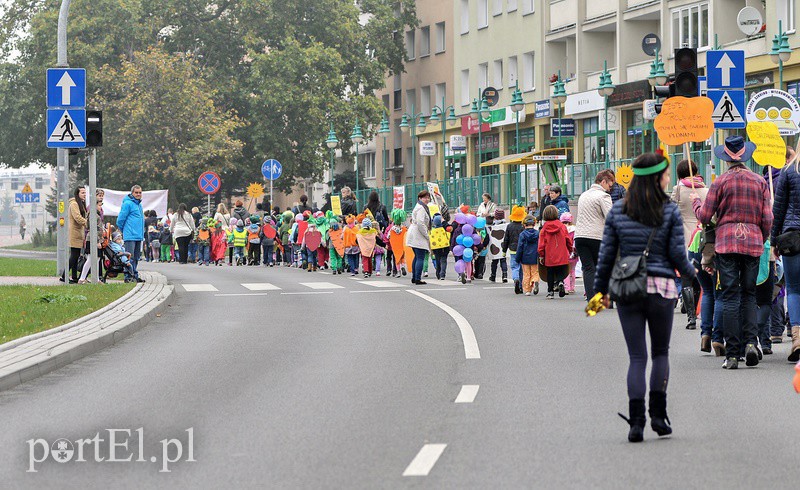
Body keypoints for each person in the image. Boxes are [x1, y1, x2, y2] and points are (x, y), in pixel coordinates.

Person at [594, 152, 695, 443]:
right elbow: (678, 255)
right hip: (662, 287)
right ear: (658, 177)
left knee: (637, 357)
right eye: (665, 174)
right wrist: (693, 274)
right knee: (660, 353)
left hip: (628, 289)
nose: (667, 178)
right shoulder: (669, 210)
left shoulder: (617, 210)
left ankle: (636, 423)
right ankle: (659, 417)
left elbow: (606, 258)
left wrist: (599, 295)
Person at [693, 136, 772, 370]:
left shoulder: (720, 182)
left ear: (726, 158)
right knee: (749, 295)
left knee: (729, 296)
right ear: (746, 155)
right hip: (753, 244)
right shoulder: (760, 181)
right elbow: (767, 218)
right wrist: (762, 237)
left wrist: (696, 204)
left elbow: (705, 217)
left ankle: (733, 354)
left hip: (726, 244)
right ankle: (751, 343)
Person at [671, 159, 709, 333]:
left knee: (686, 275)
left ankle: (691, 316)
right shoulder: (707, 189)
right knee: (700, 274)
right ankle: (698, 309)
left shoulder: (678, 190)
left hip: (684, 236)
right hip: (702, 236)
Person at [772, 146, 800, 363]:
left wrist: (774, 241)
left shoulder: (789, 171)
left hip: (792, 237)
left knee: (794, 289)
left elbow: (778, 210)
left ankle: (797, 340)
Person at [574, 170, 614, 301]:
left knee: (588, 268)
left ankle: (592, 298)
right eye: (609, 185)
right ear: (603, 181)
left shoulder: (583, 195)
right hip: (596, 236)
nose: (610, 188)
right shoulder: (603, 196)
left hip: (580, 236)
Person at [538, 205, 573, 299]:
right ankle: (561, 282)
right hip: (561, 253)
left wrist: (541, 255)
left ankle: (550, 292)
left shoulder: (544, 229)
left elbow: (541, 244)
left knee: (550, 273)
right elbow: (568, 239)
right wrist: (570, 249)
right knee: (561, 270)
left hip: (549, 255)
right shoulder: (562, 226)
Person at [116, 185, 145, 282]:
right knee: (129, 257)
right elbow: (120, 219)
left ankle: (134, 274)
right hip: (130, 235)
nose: (138, 194)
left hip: (138, 235)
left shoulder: (139, 205)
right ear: (132, 193)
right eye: (136, 192)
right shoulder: (127, 204)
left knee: (136, 257)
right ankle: (128, 276)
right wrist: (124, 230)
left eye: (140, 192)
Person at [78, 189, 105, 284]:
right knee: (90, 259)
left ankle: (96, 279)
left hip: (96, 238)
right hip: (92, 239)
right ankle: (82, 278)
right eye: (99, 205)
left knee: (97, 259)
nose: (100, 208)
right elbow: (93, 228)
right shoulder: (93, 213)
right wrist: (98, 241)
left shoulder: (97, 213)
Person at [406, 190, 432, 285]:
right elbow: (421, 223)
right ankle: (417, 278)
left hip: (414, 233)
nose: (427, 199)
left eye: (428, 197)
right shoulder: (421, 208)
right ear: (420, 198)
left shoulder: (419, 206)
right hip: (418, 234)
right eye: (424, 197)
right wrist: (426, 234)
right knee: (420, 257)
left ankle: (414, 277)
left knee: (417, 257)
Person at [503, 206, 526, 294]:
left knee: (515, 267)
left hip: (512, 250)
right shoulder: (523, 226)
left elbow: (506, 239)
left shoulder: (509, 226)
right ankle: (520, 286)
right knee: (521, 268)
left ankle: (515, 279)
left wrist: (504, 251)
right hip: (522, 250)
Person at [516, 215, 540, 296]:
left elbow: (520, 247)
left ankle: (527, 290)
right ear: (534, 224)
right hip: (535, 256)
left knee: (526, 274)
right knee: (535, 272)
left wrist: (517, 258)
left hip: (525, 257)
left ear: (524, 225)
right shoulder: (537, 234)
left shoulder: (522, 234)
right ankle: (535, 281)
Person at [488, 209, 508, 283]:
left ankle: (493, 276)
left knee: (494, 262)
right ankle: (505, 275)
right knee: (503, 261)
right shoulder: (506, 224)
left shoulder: (493, 225)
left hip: (495, 246)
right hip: (503, 246)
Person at [560, 212, 578, 294]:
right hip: (573, 253)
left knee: (566, 272)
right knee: (572, 271)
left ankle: (566, 287)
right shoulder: (575, 229)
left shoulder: (561, 229)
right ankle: (572, 287)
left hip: (565, 253)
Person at [430, 214, 451, 280]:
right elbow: (449, 236)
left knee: (437, 260)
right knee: (444, 260)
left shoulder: (432, 231)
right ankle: (442, 274)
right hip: (445, 246)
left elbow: (430, 240)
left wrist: (431, 249)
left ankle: (438, 272)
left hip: (436, 248)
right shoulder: (445, 229)